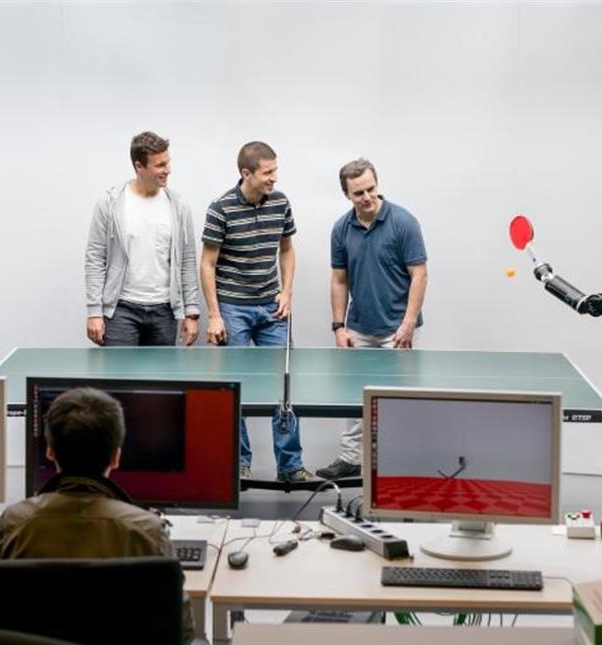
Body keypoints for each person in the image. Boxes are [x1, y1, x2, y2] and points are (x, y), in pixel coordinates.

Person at [0, 387, 195, 643]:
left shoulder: (14, 522)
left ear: (49, 451)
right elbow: (182, 631)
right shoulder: (147, 530)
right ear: (116, 456)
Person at [200, 141, 316, 483]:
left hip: (271, 307)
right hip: (233, 307)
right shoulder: (220, 209)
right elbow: (207, 264)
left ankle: (291, 467)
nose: (274, 179)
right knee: (232, 388)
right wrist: (215, 314)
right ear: (246, 173)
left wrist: (286, 292)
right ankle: (238, 463)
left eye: (275, 171)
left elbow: (287, 250)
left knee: (284, 386)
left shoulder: (280, 203)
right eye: (268, 172)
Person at [316, 158, 429, 481]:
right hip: (359, 329)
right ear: (347, 195)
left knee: (398, 399)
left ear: (377, 185)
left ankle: (398, 463)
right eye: (358, 193)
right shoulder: (341, 228)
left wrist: (407, 324)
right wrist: (339, 327)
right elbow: (339, 279)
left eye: (370, 189)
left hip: (397, 329)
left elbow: (419, 275)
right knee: (353, 397)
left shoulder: (403, 222)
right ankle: (351, 458)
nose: (366, 197)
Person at [84, 130, 200, 347]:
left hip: (164, 311)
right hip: (121, 311)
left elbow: (187, 261)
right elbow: (94, 259)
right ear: (139, 167)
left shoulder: (179, 206)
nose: (168, 170)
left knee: (160, 381)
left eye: (168, 163)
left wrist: (191, 312)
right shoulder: (109, 204)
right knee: (120, 380)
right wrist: (94, 312)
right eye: (160, 165)